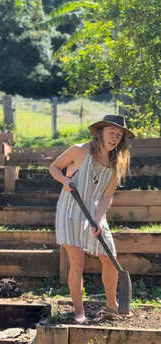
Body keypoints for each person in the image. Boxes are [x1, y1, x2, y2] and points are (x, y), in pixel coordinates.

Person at [49, 115, 134, 324]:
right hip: (70, 209)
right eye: (111, 132)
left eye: (119, 135)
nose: (115, 138)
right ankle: (79, 312)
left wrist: (98, 219)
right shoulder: (80, 150)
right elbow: (53, 167)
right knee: (77, 262)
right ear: (101, 131)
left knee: (110, 260)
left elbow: (107, 196)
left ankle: (112, 305)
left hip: (94, 211)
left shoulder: (116, 162)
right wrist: (65, 180)